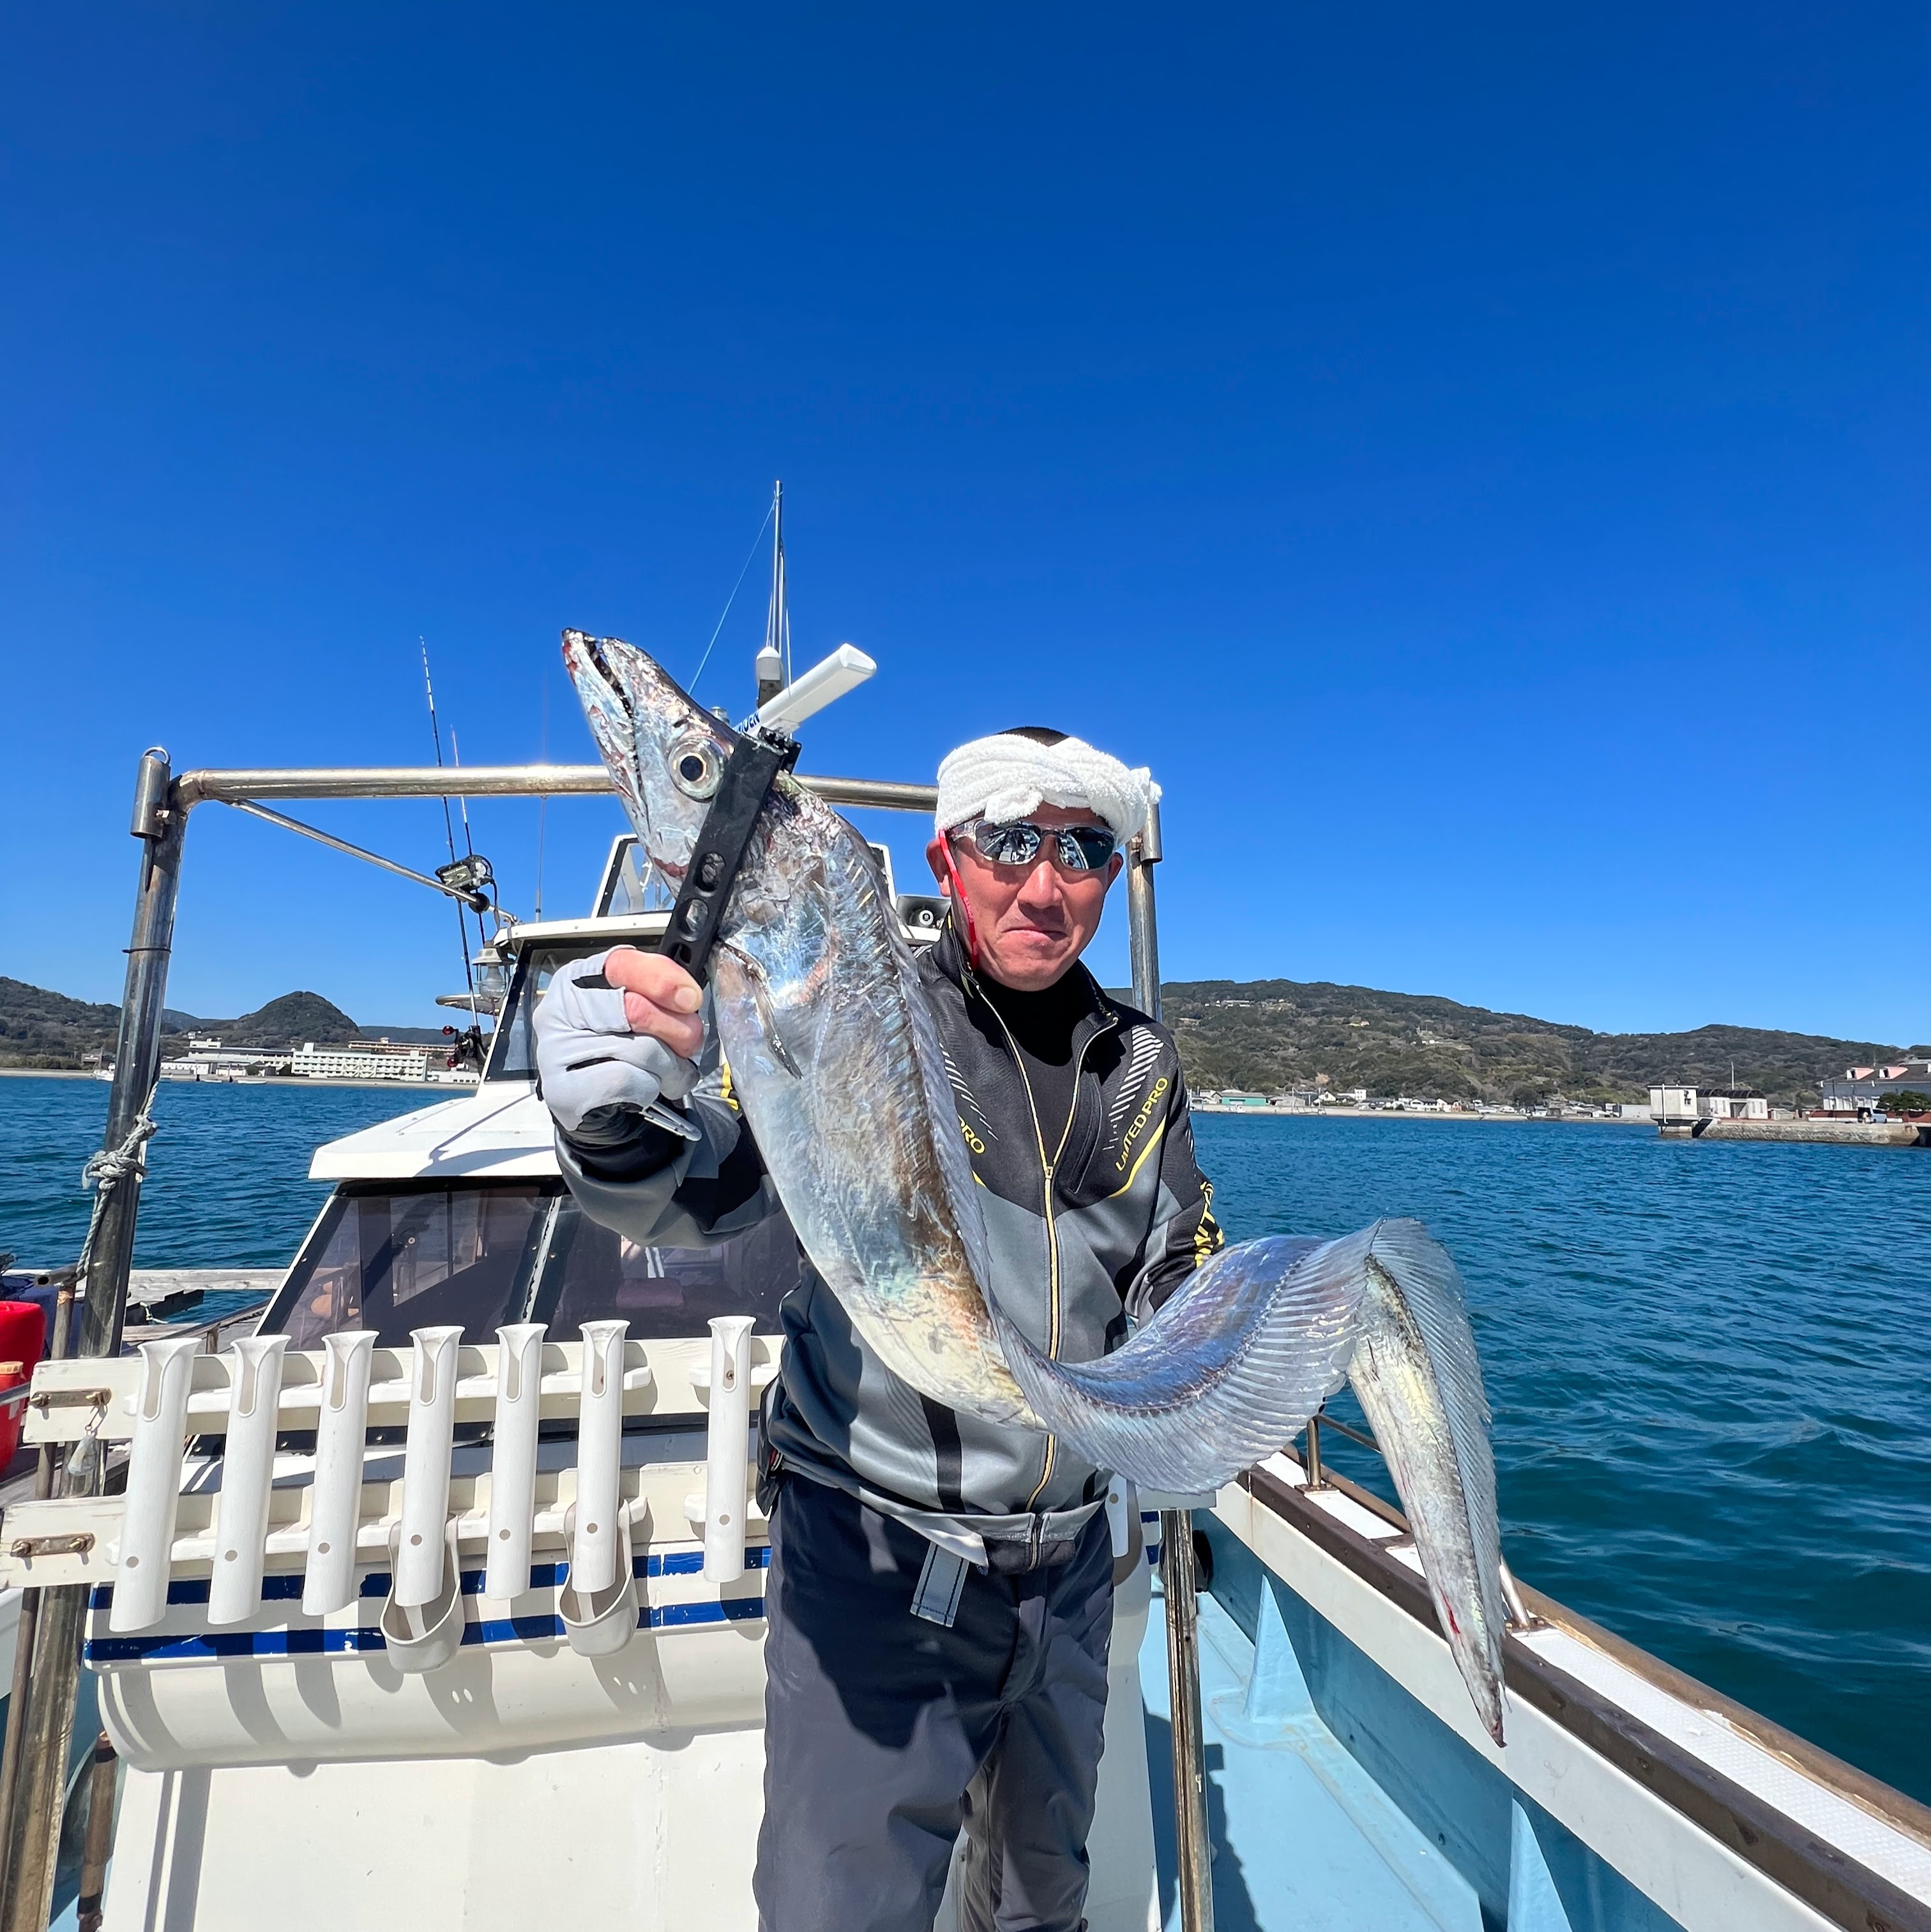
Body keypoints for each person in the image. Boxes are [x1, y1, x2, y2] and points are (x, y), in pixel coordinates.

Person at [534, 727, 1223, 1932]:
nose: (1046, 885)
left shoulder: (1141, 1067)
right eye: (1010, 842)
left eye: (1084, 851)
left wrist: (1232, 1346)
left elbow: (1175, 1263)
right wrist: (613, 1123)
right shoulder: (859, 1006)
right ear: (947, 858)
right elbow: (715, 1180)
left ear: (1114, 875)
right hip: (880, 1564)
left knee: (1040, 1906)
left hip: (1067, 1571)